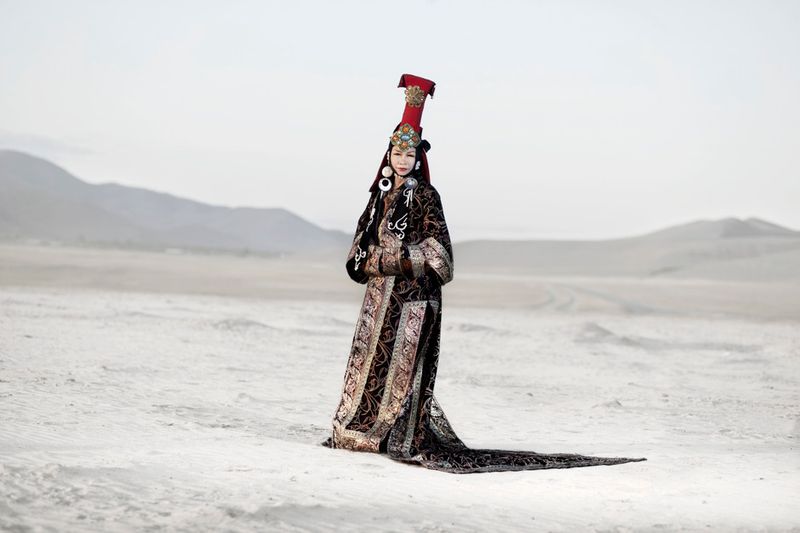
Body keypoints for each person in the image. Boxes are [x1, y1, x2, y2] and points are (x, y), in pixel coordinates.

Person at [320, 74, 646, 474]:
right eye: (397, 153)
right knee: (371, 370)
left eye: (409, 154)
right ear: (388, 154)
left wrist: (389, 259)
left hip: (411, 305)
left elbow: (441, 259)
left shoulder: (426, 197)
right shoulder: (378, 198)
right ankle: (362, 432)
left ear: (418, 157)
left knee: (404, 378)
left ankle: (393, 437)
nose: (402, 160)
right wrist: (374, 260)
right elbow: (356, 259)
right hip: (378, 305)